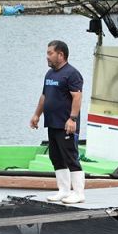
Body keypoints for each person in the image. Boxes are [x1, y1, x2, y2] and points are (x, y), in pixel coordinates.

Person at [29, 40, 85, 204]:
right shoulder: (50, 74)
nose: (47, 56)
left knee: (70, 156)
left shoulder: (72, 73)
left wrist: (72, 119)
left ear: (61, 55)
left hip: (66, 123)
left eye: (50, 53)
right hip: (52, 123)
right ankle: (64, 190)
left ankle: (79, 193)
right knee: (56, 157)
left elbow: (77, 96)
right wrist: (36, 115)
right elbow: (44, 96)